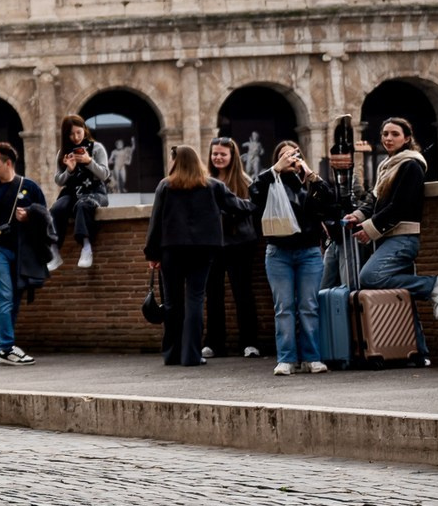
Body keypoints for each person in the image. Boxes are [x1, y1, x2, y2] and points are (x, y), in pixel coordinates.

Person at [345, 115, 438, 356]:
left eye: (394, 134)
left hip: (403, 239)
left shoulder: (411, 165)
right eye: (385, 134)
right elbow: (375, 200)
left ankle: (431, 285)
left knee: (370, 277)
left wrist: (370, 229)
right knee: (403, 299)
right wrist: (358, 215)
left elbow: (402, 206)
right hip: (389, 238)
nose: (388, 138)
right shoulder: (387, 166)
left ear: (407, 138)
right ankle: (420, 354)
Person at [247, 139, 340, 375]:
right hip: (278, 252)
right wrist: (275, 170)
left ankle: (312, 357)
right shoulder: (270, 181)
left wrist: (312, 176)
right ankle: (286, 358)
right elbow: (253, 194)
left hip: (309, 251)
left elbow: (330, 204)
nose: (290, 159)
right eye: (284, 155)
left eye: (295, 155)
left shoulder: (309, 184)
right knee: (283, 307)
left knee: (309, 305)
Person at [144, 144, 238, 368]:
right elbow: (236, 205)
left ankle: (172, 354)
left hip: (172, 250)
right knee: (195, 300)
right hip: (203, 250)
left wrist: (152, 253)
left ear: (176, 161)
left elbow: (155, 221)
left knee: (172, 303)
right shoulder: (213, 185)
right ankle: (192, 355)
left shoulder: (165, 186)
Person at [0, 143, 48, 364]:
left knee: (13, 299)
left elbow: (45, 217)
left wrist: (30, 214)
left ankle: (0, 347)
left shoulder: (30, 187)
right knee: (3, 298)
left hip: (21, 252)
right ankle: (6, 348)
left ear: (8, 163)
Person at [204, 136, 263, 360]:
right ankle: (214, 343)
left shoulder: (244, 181)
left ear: (232, 156)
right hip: (213, 244)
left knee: (243, 293)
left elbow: (252, 209)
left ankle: (249, 343)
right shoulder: (206, 180)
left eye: (223, 154)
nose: (218, 157)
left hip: (240, 244)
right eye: (215, 154)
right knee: (213, 294)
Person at [50, 120, 113, 270]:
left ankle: (86, 247)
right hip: (71, 192)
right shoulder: (63, 151)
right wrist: (69, 170)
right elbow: (58, 180)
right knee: (56, 209)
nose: (76, 137)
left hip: (95, 191)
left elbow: (105, 174)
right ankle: (54, 252)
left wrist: (89, 161)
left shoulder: (96, 148)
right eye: (71, 134)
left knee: (83, 205)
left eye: (79, 132)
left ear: (85, 130)